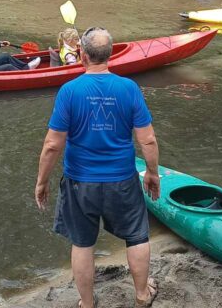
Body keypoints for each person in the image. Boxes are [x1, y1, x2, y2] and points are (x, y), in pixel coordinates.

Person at [35, 27, 160, 308]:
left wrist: (42, 181)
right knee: (137, 236)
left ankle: (88, 303)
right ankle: (141, 295)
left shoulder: (69, 91)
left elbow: (52, 145)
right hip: (122, 179)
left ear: (82, 55)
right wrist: (152, 172)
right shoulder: (128, 88)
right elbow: (148, 139)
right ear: (110, 54)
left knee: (82, 243)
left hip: (80, 181)